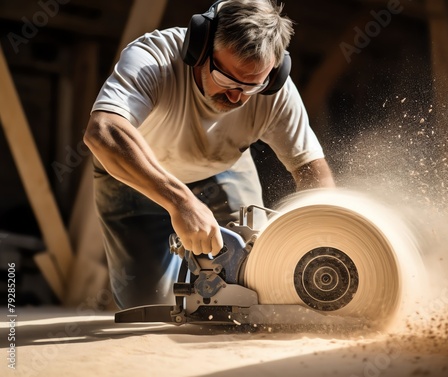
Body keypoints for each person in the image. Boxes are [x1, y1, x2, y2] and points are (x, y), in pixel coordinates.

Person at [84, 0, 335, 310]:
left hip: (222, 167)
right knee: (149, 308)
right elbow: (103, 131)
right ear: (199, 49)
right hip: (135, 175)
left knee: (252, 284)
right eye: (227, 80)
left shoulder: (274, 90)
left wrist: (323, 235)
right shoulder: (153, 58)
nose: (236, 96)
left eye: (250, 87)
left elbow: (311, 170)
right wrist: (181, 202)